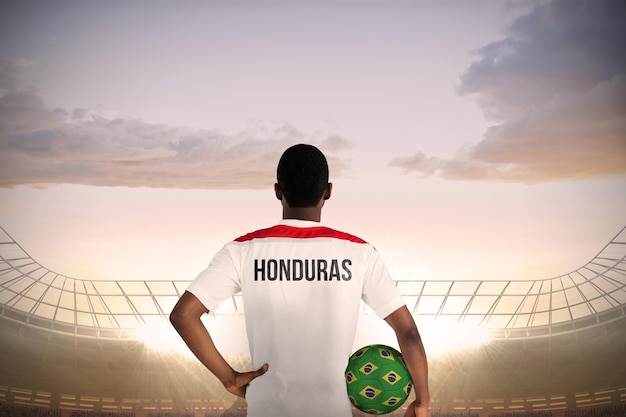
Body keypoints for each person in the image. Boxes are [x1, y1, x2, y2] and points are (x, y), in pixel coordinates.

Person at [170, 144, 429, 417]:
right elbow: (408, 333)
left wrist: (229, 378)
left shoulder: (244, 249)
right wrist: (422, 401)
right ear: (327, 191)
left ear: (277, 191)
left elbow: (183, 315)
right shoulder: (359, 252)